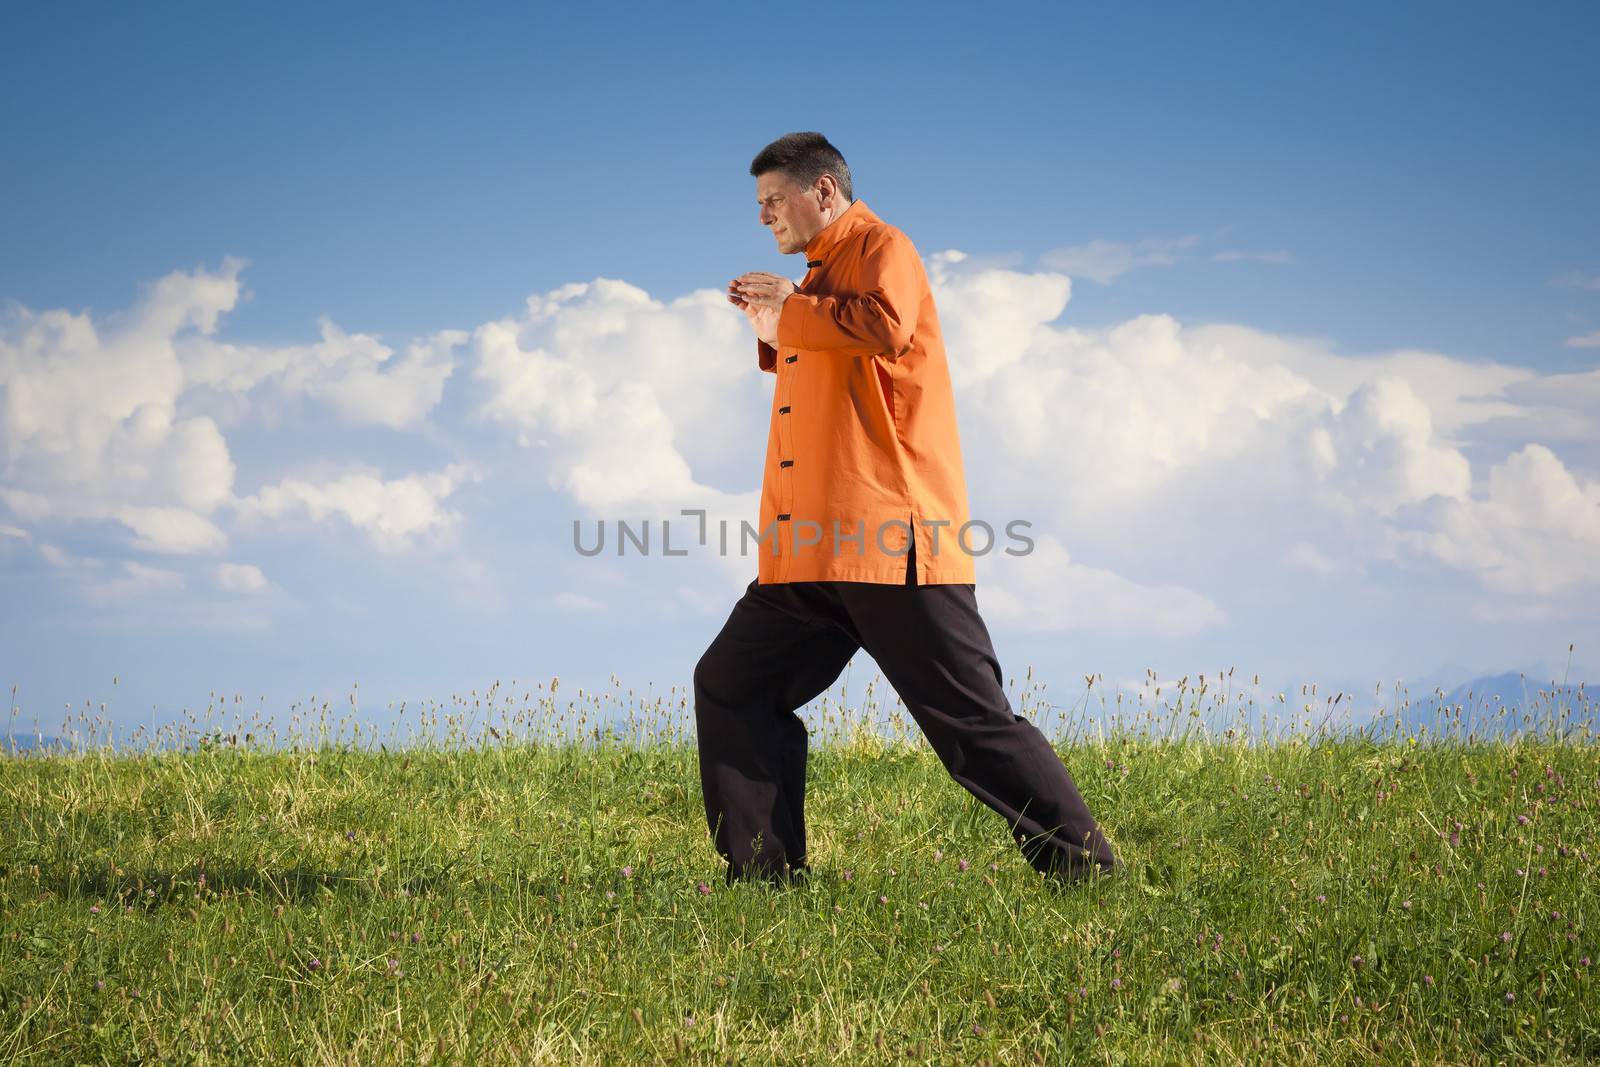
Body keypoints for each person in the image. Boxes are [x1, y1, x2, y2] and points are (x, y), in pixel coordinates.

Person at [693, 131, 1119, 888]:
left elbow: (885, 326)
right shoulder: (819, 280)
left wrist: (790, 313)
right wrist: (773, 327)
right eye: (756, 205)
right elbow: (831, 363)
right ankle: (763, 880)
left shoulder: (886, 247)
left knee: (972, 727)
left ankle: (1090, 871)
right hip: (809, 552)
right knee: (732, 684)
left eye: (772, 199)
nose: (762, 217)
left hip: (892, 543)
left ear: (823, 190)